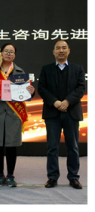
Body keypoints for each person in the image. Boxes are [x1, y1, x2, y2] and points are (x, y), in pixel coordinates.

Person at [0, 43, 34, 187]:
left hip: (13, 112)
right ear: (1, 53)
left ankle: (10, 175)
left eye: (12, 52)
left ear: (15, 55)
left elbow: (24, 93)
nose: (9, 54)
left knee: (11, 145)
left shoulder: (20, 72)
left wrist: (31, 91)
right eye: (6, 51)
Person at [37, 40, 85, 189]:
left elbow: (81, 88)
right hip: (52, 113)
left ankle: (73, 177)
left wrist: (67, 102)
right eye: (58, 48)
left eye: (64, 48)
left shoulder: (78, 69)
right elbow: (42, 88)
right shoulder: (46, 69)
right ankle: (52, 177)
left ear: (68, 51)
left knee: (73, 147)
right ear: (54, 52)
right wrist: (55, 102)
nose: (61, 50)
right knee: (52, 147)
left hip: (71, 112)